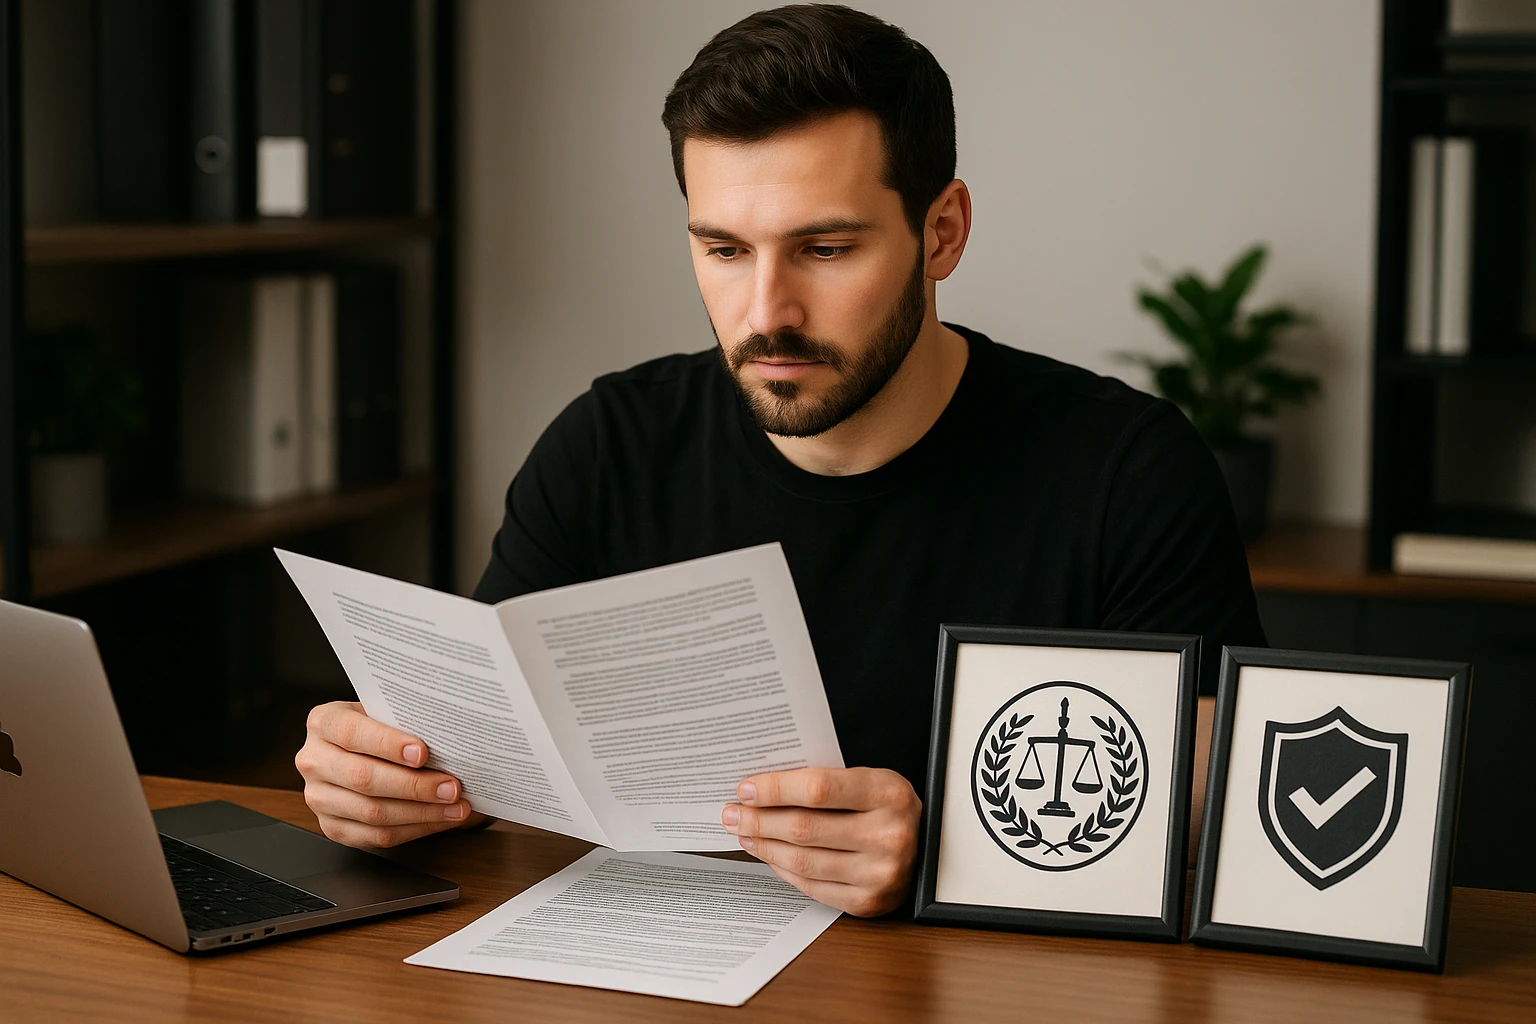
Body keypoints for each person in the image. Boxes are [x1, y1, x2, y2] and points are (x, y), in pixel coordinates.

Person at [294, 4, 1265, 918]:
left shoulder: (1130, 472)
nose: (766, 313)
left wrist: (950, 856)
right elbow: (495, 765)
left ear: (943, 232)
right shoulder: (608, 445)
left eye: (826, 249)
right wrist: (393, 783)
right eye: (722, 249)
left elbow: (1214, 820)